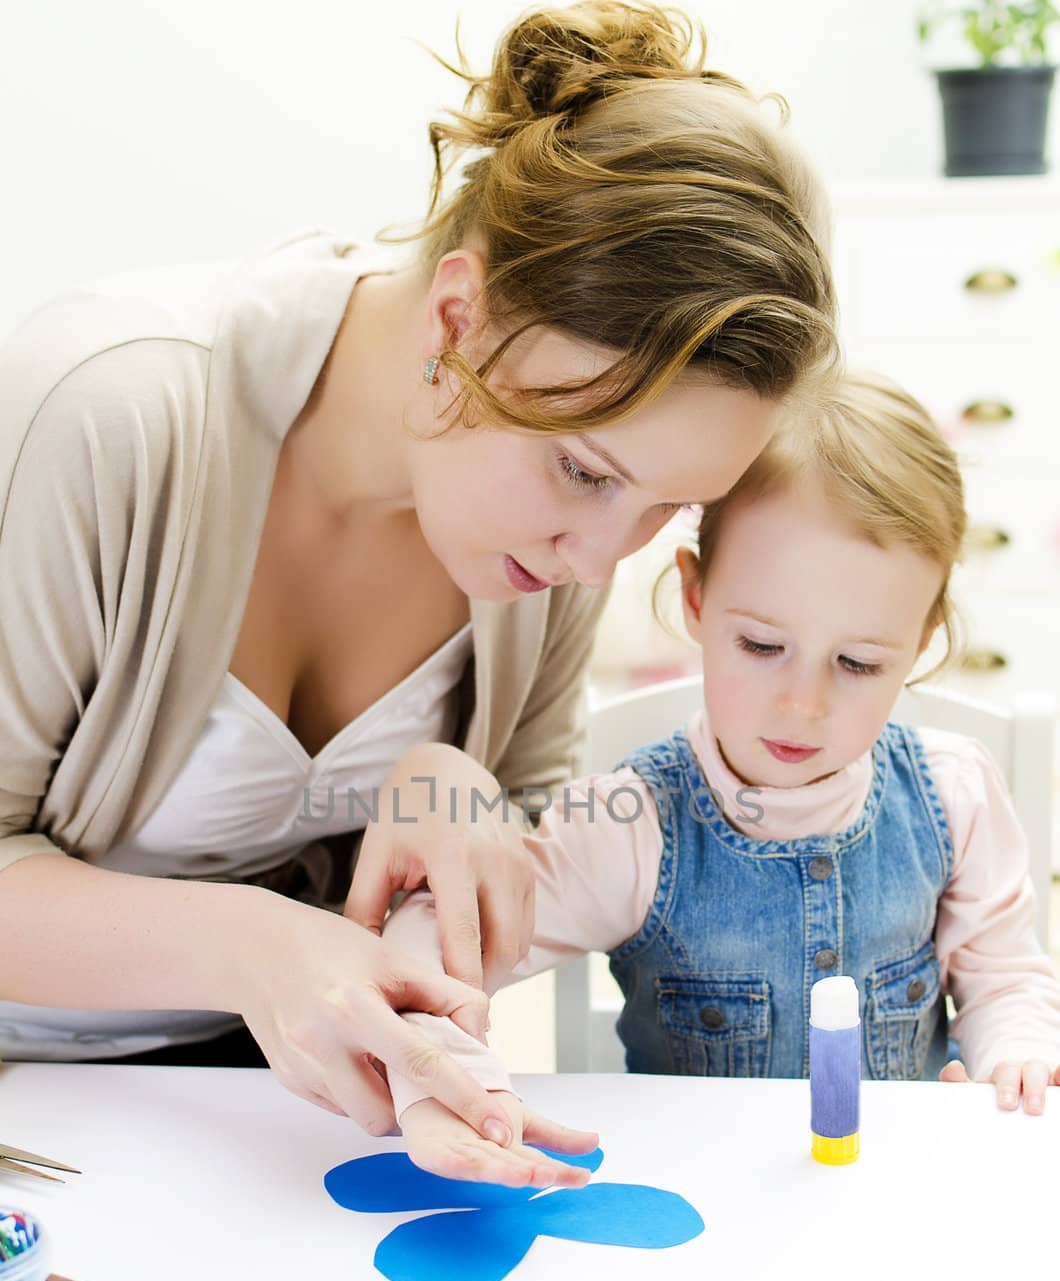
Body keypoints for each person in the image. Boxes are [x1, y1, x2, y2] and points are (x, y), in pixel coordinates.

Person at [0, 3, 836, 1168]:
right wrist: (256, 947)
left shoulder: (548, 535)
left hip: (278, 1131)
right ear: (459, 316)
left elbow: (511, 840)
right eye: (587, 472)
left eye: (667, 507)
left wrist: (446, 798)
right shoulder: (108, 414)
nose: (601, 561)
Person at [382, 371, 1060, 1185]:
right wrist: (455, 1087)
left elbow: (1004, 978)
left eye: (858, 662)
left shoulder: (956, 796)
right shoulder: (632, 824)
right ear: (697, 601)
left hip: (892, 1202)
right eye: (762, 647)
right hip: (699, 1217)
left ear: (920, 642)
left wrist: (1012, 1059)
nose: (801, 704)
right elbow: (434, 942)